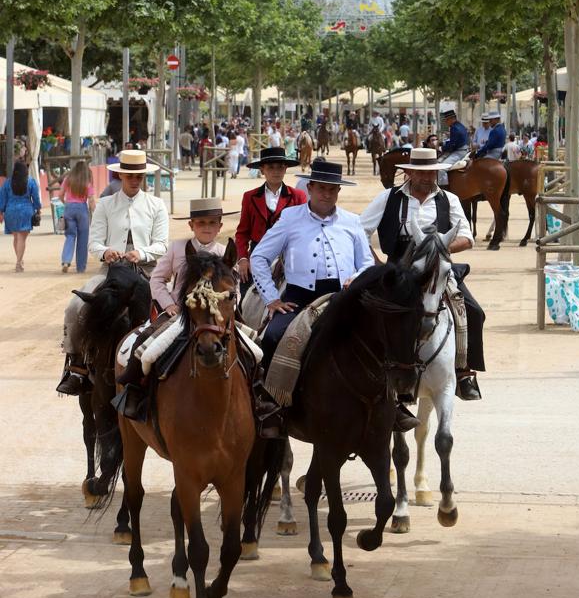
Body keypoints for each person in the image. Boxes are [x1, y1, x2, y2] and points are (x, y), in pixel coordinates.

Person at [251, 160, 386, 436]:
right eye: (321, 188)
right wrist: (271, 299)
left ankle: (392, 405)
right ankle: (271, 406)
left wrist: (357, 277)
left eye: (332, 189)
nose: (327, 194)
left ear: (338, 191)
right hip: (300, 299)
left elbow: (366, 263)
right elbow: (259, 257)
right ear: (310, 188)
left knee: (383, 337)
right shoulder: (290, 218)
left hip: (344, 299)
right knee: (273, 336)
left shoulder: (352, 222)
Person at [360, 147, 484, 401]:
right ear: (408, 173)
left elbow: (467, 239)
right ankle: (373, 371)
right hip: (398, 272)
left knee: (472, 311)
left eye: (433, 173)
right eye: (422, 173)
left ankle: (463, 371)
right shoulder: (388, 198)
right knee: (369, 312)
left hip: (436, 270)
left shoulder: (449, 200)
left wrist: (438, 248)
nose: (428, 179)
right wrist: (376, 264)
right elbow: (359, 232)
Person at [56, 149, 169, 395]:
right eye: (130, 175)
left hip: (146, 272)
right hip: (110, 273)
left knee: (174, 313)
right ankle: (76, 367)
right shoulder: (106, 204)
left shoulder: (156, 205)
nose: (135, 179)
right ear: (121, 175)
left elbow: (162, 244)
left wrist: (141, 253)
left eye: (139, 175)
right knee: (74, 306)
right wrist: (107, 251)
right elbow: (94, 242)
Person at [115, 197, 236, 408]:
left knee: (255, 349)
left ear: (220, 226)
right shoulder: (177, 248)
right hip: (178, 314)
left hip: (216, 317)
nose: (206, 228)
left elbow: (235, 290)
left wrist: (225, 310)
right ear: (192, 225)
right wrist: (169, 304)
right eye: (201, 223)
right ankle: (134, 390)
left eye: (212, 223)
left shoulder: (224, 253)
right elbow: (157, 279)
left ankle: (257, 392)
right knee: (146, 342)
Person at [235, 147, 306, 296]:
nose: (276, 171)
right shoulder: (249, 197)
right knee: (244, 296)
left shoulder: (298, 196)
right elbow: (242, 233)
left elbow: (303, 230)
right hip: (257, 254)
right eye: (271, 167)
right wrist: (242, 258)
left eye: (280, 167)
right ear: (262, 170)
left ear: (285, 169)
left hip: (288, 254)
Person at [0, 161, 41, 272]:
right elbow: (36, 198)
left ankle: (19, 259)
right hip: (26, 211)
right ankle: (19, 263)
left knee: (16, 237)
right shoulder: (31, 181)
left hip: (11, 211)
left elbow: (2, 198)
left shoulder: (7, 183)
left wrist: (1, 212)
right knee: (21, 238)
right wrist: (38, 208)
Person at [58, 160, 96, 274]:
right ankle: (80, 267)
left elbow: (60, 195)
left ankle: (66, 260)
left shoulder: (68, 180)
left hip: (69, 208)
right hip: (82, 209)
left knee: (70, 235)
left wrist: (66, 203)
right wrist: (96, 213)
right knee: (83, 239)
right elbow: (91, 201)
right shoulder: (87, 182)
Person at [437, 102, 470, 186]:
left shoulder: (454, 128)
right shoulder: (460, 125)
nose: (446, 122)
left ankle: (443, 189)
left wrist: (441, 148)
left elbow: (452, 145)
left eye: (446, 120)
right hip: (462, 149)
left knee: (441, 168)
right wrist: (444, 143)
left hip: (459, 152)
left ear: (452, 119)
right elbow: (454, 140)